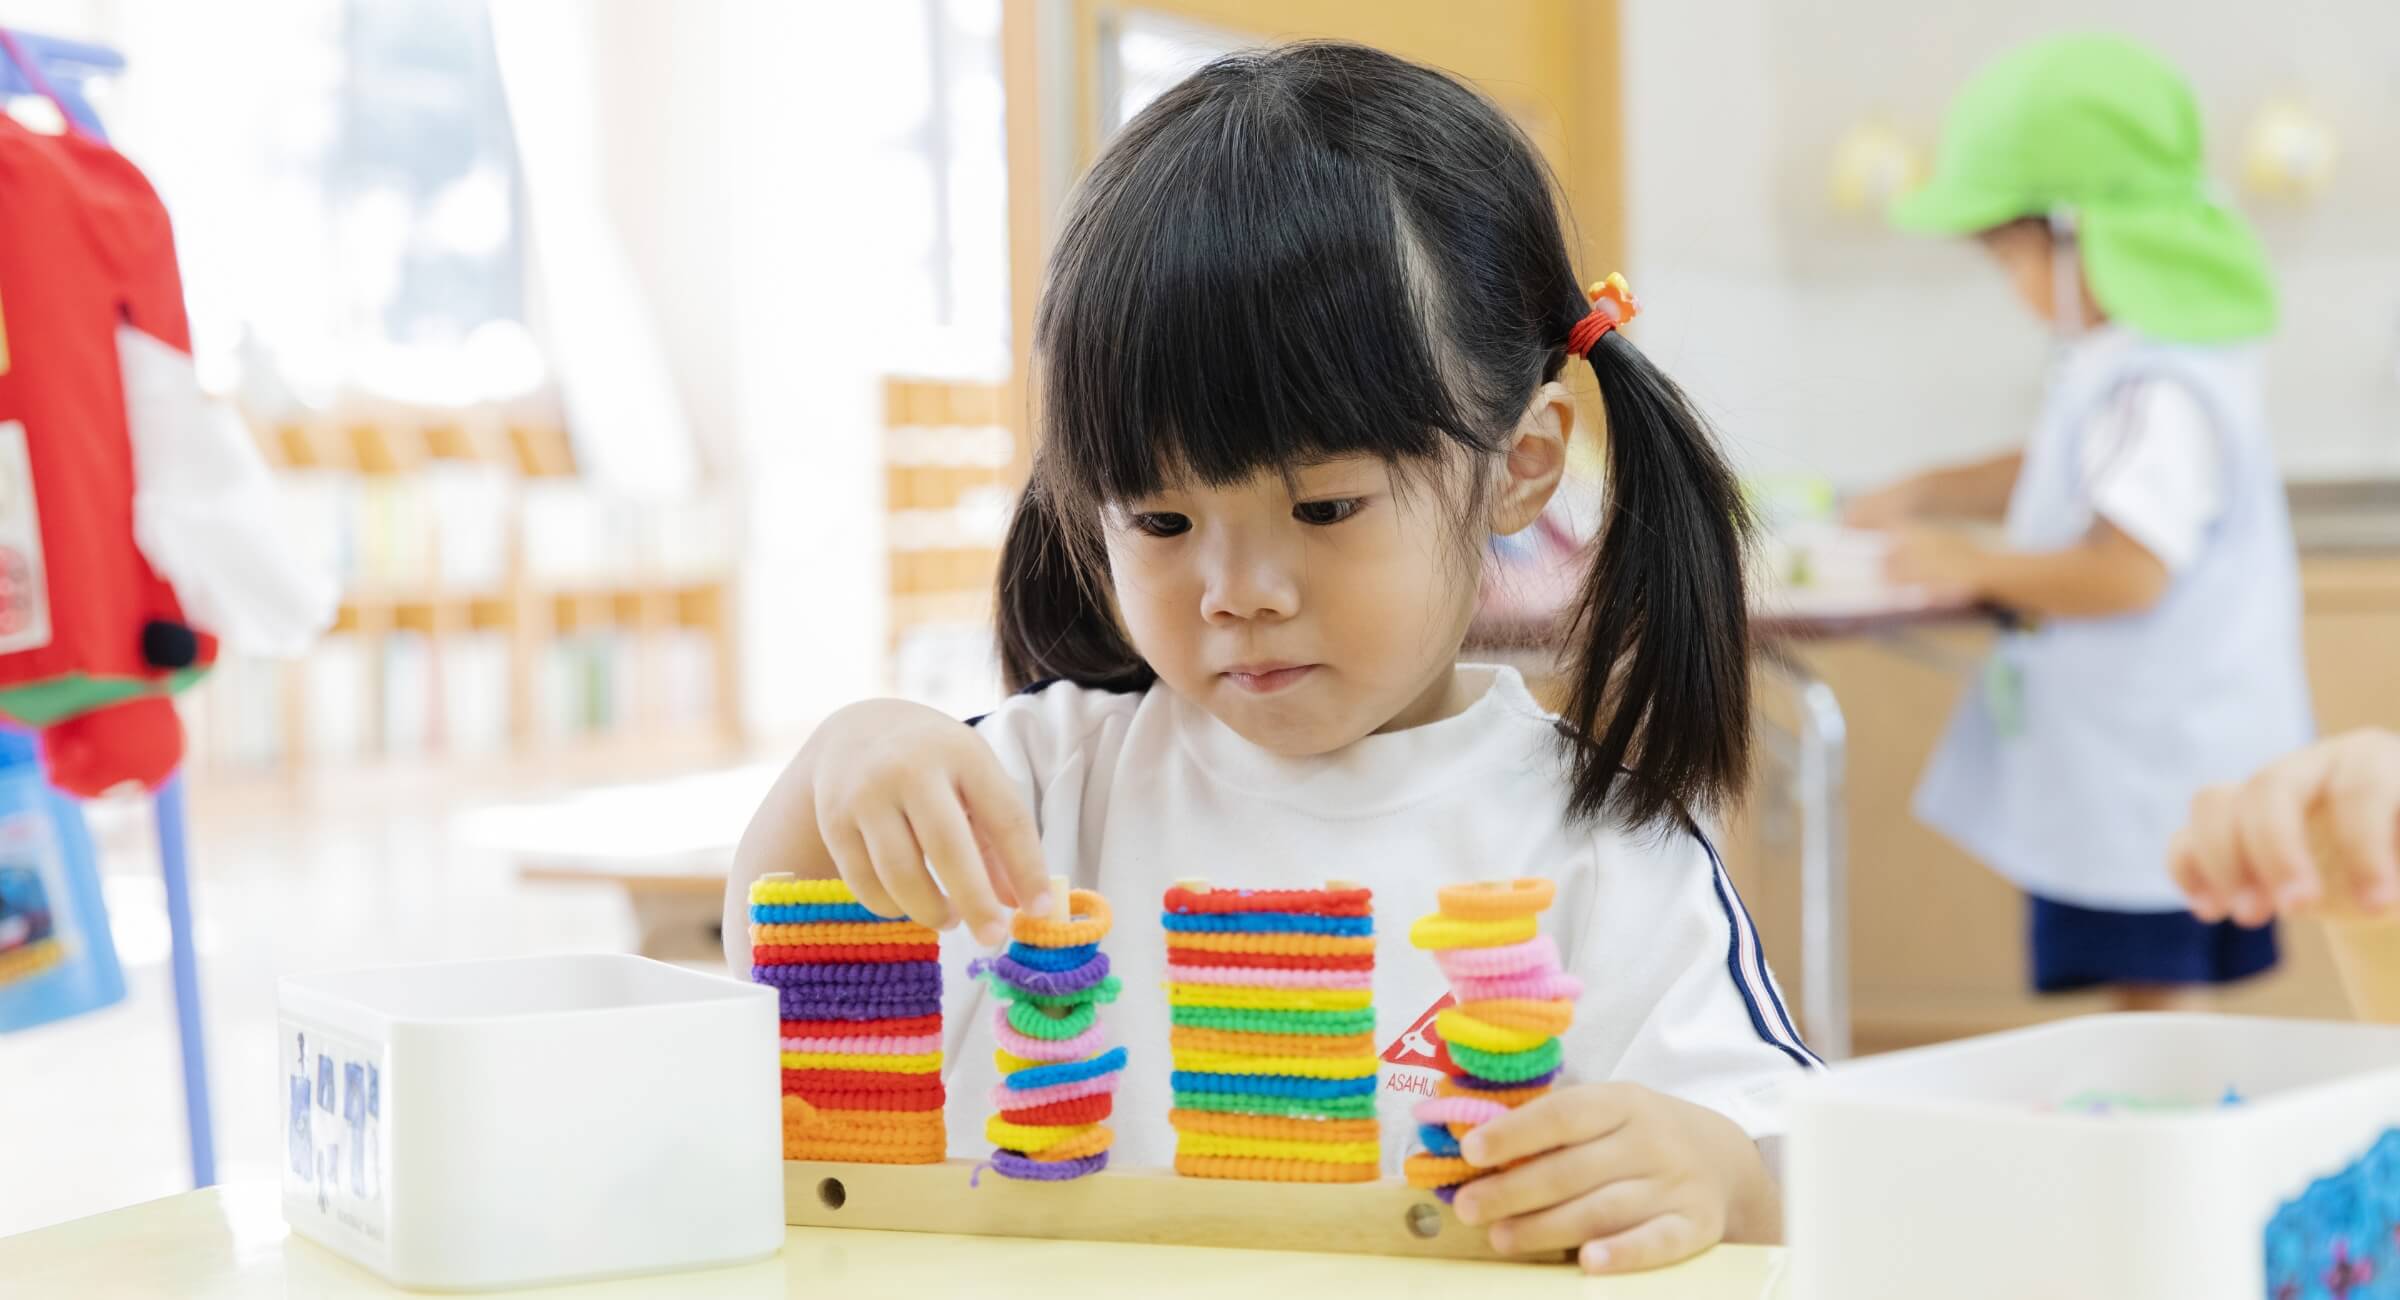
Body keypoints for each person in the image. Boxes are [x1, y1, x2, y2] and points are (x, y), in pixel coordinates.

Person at [727, 41, 1818, 1273]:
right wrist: (845, 760)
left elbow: (1789, 1153)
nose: (1236, 593)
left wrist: (1713, 1168)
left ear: (1521, 463)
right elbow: (774, 980)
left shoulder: (1597, 838)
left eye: (1323, 511)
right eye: (1162, 522)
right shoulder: (1043, 789)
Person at [1846, 34, 2311, 1011]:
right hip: (2155, 759)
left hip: (2154, 772)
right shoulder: (2143, 365)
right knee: (2153, 989)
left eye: (2012, 257)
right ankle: (2153, 1124)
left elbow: (2126, 569)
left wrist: (1968, 561)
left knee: (2155, 992)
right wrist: (1933, 488)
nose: (2014, 287)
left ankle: (2151, 1133)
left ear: (2078, 234)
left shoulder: (2157, 386)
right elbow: (2078, 474)